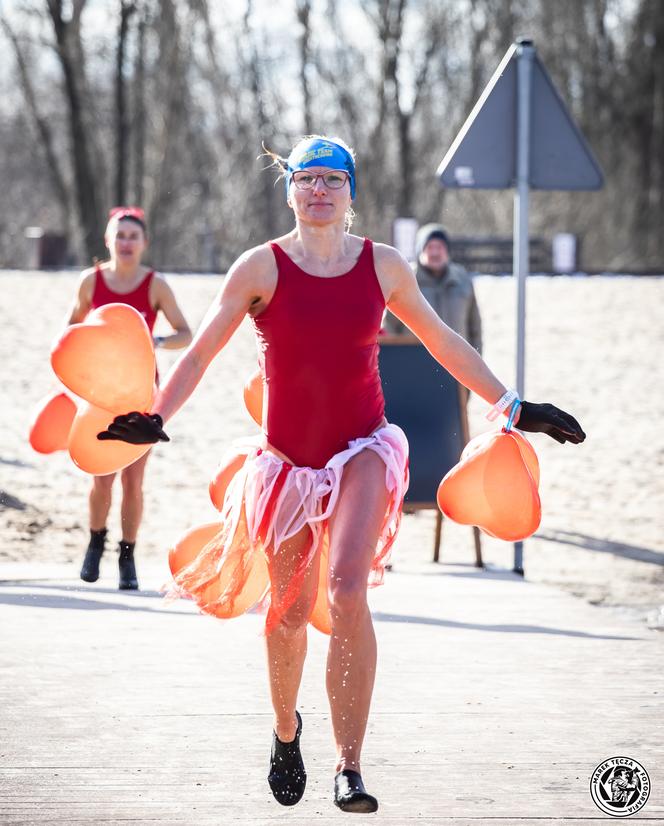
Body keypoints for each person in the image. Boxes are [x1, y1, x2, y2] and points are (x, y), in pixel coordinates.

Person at [96, 137, 585, 812]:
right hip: (286, 465)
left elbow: (443, 339)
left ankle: (349, 766)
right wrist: (155, 415)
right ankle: (286, 729)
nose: (319, 190)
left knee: (348, 587)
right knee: (290, 612)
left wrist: (513, 406)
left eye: (333, 179)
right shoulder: (258, 268)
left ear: (351, 192)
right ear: (289, 187)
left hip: (363, 449)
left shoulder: (382, 267)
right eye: (307, 178)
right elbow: (203, 348)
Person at [66, 206, 192, 590]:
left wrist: (154, 341)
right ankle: (94, 542)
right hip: (99, 395)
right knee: (100, 479)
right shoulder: (91, 282)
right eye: (119, 236)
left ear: (144, 243)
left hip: (141, 395)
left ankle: (127, 556)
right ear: (108, 240)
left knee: (133, 482)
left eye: (132, 237)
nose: (125, 243)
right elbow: (70, 332)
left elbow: (185, 333)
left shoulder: (155, 285)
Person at [383, 223, 482, 353]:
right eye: (430, 247)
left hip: (457, 364)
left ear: (447, 251)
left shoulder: (462, 280)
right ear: (420, 251)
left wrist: (477, 360)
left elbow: (474, 327)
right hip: (413, 363)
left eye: (439, 247)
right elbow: (389, 327)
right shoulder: (405, 279)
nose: (435, 252)